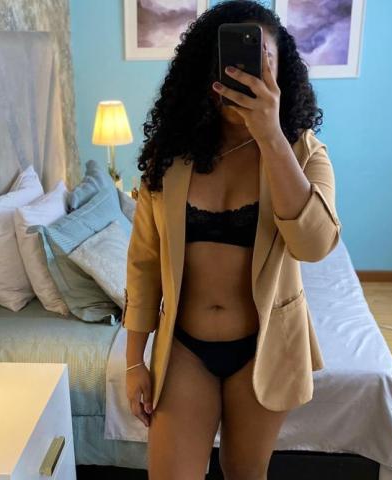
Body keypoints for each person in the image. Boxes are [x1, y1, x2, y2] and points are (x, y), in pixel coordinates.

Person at [122, 1, 341, 479]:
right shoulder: (169, 156)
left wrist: (271, 138)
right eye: (235, 62)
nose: (247, 74)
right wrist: (134, 362)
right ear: (208, 71)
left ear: (281, 72)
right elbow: (144, 263)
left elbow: (315, 245)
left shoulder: (302, 151)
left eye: (263, 61)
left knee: (245, 473)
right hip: (184, 348)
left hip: (264, 348)